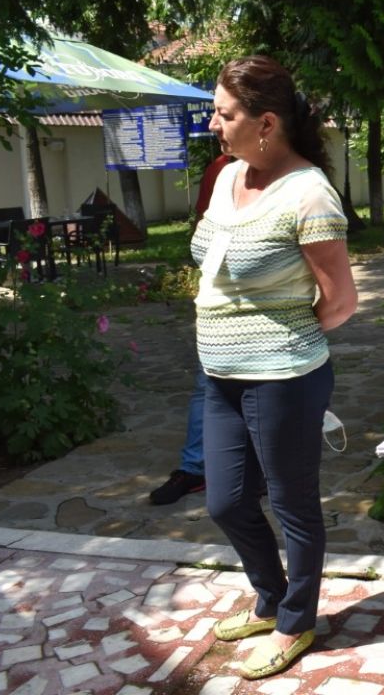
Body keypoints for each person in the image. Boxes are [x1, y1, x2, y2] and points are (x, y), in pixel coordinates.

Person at [192, 56, 357, 680]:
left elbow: (340, 301)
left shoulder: (308, 193)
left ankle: (295, 620)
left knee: (294, 505)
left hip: (284, 377)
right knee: (225, 501)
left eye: (224, 114)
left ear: (266, 123)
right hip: (220, 374)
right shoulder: (228, 175)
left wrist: (282, 342)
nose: (213, 124)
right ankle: (269, 597)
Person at [149, 152, 235, 506]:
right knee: (207, 386)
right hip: (220, 299)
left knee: (266, 391)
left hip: (272, 307)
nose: (216, 127)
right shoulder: (220, 168)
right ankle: (194, 467)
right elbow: (203, 229)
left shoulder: (290, 170)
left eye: (226, 121)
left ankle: (259, 472)